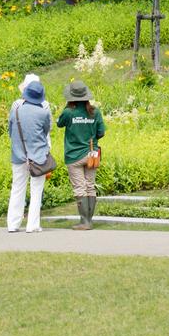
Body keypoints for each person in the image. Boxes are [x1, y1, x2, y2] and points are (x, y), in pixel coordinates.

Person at [6, 77, 54, 233]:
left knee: (17, 188)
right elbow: (46, 131)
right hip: (38, 156)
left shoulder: (16, 109)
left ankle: (13, 224)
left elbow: (10, 131)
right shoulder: (43, 112)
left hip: (18, 156)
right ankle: (32, 225)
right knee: (36, 190)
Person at [58, 80, 105, 230]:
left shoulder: (68, 112)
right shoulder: (95, 111)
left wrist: (68, 107)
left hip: (74, 156)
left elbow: (59, 123)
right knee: (90, 186)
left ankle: (84, 222)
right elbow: (101, 132)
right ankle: (89, 220)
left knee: (80, 188)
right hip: (92, 154)